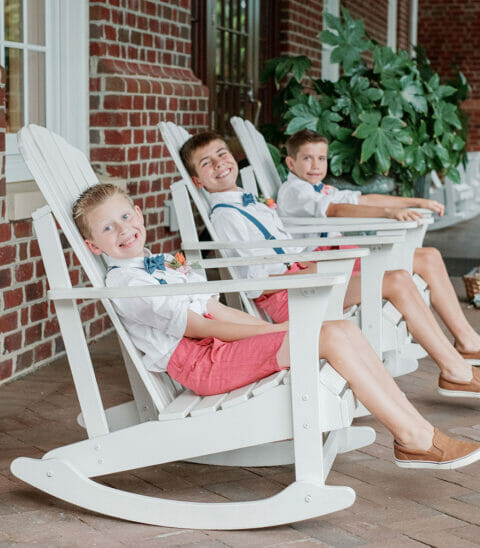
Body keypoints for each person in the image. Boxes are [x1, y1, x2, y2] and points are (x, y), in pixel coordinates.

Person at [72, 181, 480, 470]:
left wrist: (270, 328)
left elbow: (216, 311)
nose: (124, 229)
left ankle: (417, 436)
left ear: (139, 214)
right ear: (93, 246)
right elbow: (199, 327)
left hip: (216, 346)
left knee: (340, 330)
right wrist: (278, 332)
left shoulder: (154, 264)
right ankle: (416, 440)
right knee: (328, 334)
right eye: (108, 228)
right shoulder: (127, 282)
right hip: (201, 363)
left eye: (126, 216)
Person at [180, 130, 480, 399]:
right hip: (292, 295)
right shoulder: (226, 217)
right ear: (197, 181)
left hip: (305, 278)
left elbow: (291, 249)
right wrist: (315, 269)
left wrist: (316, 265)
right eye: (206, 163)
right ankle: (456, 370)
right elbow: (257, 282)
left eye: (222, 154)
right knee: (398, 280)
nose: (219, 164)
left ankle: (456, 366)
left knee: (399, 276)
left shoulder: (251, 203)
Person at [277, 128, 480, 366]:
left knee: (429, 256)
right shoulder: (295, 191)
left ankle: (467, 340)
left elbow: (363, 199)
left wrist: (415, 201)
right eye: (307, 158)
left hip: (338, 256)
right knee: (423, 260)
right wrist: (389, 213)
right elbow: (336, 211)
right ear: (291, 163)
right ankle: (467, 343)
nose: (315, 165)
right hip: (321, 266)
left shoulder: (317, 188)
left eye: (321, 158)